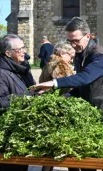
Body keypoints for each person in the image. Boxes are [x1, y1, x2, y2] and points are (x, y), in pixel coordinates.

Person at [34, 16, 103, 171]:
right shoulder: (81, 53)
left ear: (88, 36)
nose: (73, 45)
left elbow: (85, 77)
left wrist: (54, 83)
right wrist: (66, 96)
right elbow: (81, 88)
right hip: (90, 114)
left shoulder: (99, 55)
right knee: (87, 163)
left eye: (76, 40)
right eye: (70, 41)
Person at [0, 34, 35, 171]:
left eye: (24, 48)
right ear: (8, 53)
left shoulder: (22, 69)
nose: (24, 51)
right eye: (20, 49)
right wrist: (24, 98)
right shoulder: (0, 73)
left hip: (21, 132)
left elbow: (30, 91)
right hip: (8, 136)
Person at [39, 41, 75, 171]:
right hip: (59, 110)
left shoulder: (49, 63)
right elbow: (64, 87)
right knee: (66, 147)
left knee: (51, 148)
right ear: (62, 53)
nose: (72, 59)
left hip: (50, 108)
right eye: (70, 56)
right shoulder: (60, 65)